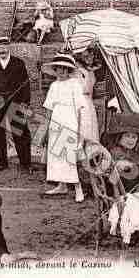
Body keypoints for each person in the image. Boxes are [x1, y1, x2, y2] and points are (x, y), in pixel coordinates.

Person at [41, 53, 88, 202]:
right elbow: (49, 108)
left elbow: (80, 109)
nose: (60, 71)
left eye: (64, 69)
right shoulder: (54, 85)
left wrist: (79, 130)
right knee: (56, 153)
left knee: (69, 155)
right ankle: (61, 185)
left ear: (68, 70)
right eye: (58, 68)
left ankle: (77, 187)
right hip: (56, 119)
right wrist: (46, 128)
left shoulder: (75, 84)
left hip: (70, 119)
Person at [0, 37, 32, 174]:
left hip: (16, 102)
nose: (1, 50)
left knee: (20, 133)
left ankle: (25, 163)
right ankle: (2, 162)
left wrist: (24, 103)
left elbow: (26, 85)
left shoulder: (19, 63)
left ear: (9, 47)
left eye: (3, 47)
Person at [102, 112, 139, 194]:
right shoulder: (110, 153)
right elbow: (109, 181)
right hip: (117, 197)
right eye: (127, 136)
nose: (131, 140)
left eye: (134, 137)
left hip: (137, 194)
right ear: (119, 137)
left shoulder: (137, 156)